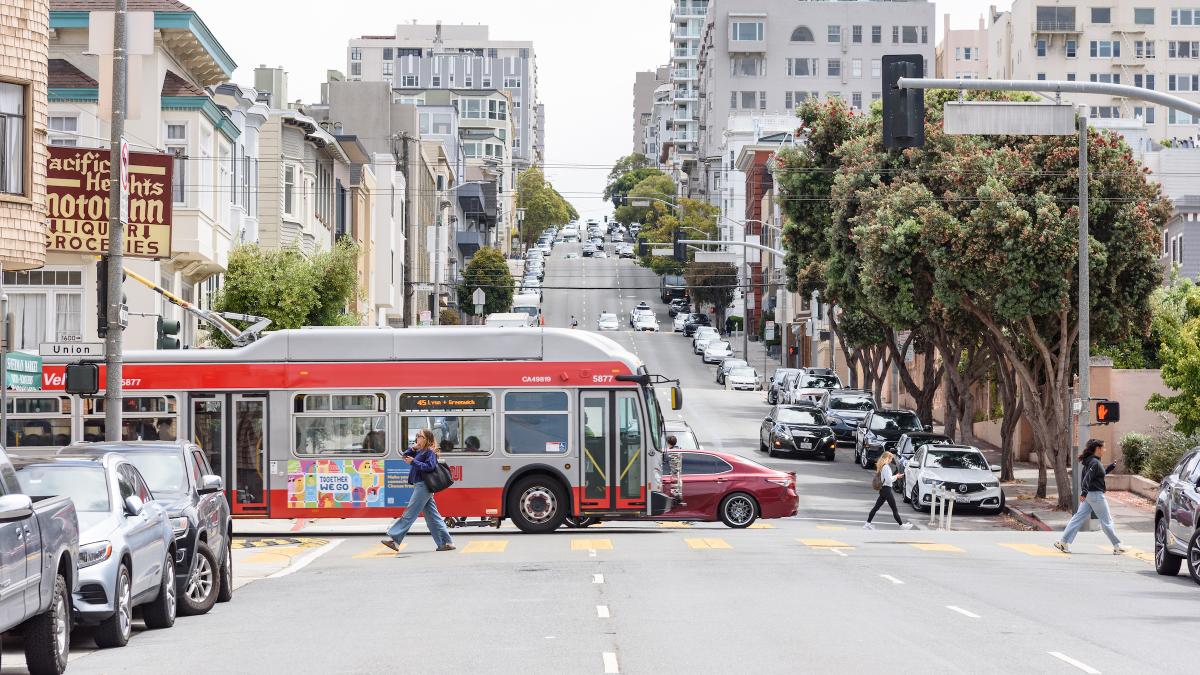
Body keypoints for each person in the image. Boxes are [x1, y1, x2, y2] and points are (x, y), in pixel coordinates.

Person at [381, 428, 455, 553]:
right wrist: (414, 448)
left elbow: (430, 467)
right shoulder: (421, 451)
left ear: (426, 439)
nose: (417, 438)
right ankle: (446, 543)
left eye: (420, 436)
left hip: (423, 486)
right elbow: (404, 456)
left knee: (410, 513)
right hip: (420, 485)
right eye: (417, 435)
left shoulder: (429, 452)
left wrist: (414, 462)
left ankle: (395, 540)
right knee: (433, 517)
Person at [1054, 439, 1125, 554]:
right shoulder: (1094, 462)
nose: (1105, 450)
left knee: (1077, 518)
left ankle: (1064, 542)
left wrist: (1110, 468)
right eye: (1104, 448)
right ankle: (1117, 546)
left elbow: (1097, 476)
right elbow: (1088, 477)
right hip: (1095, 495)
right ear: (1098, 449)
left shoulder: (1092, 461)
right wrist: (1084, 492)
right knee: (1106, 521)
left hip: (1090, 496)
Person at [864, 451, 913, 530]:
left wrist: (896, 476)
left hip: (883, 490)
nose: (891, 460)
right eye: (891, 459)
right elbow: (888, 480)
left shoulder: (882, 466)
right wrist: (896, 477)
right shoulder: (886, 467)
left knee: (876, 507)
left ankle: (867, 524)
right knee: (894, 509)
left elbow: (887, 478)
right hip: (887, 490)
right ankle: (901, 525)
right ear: (888, 458)